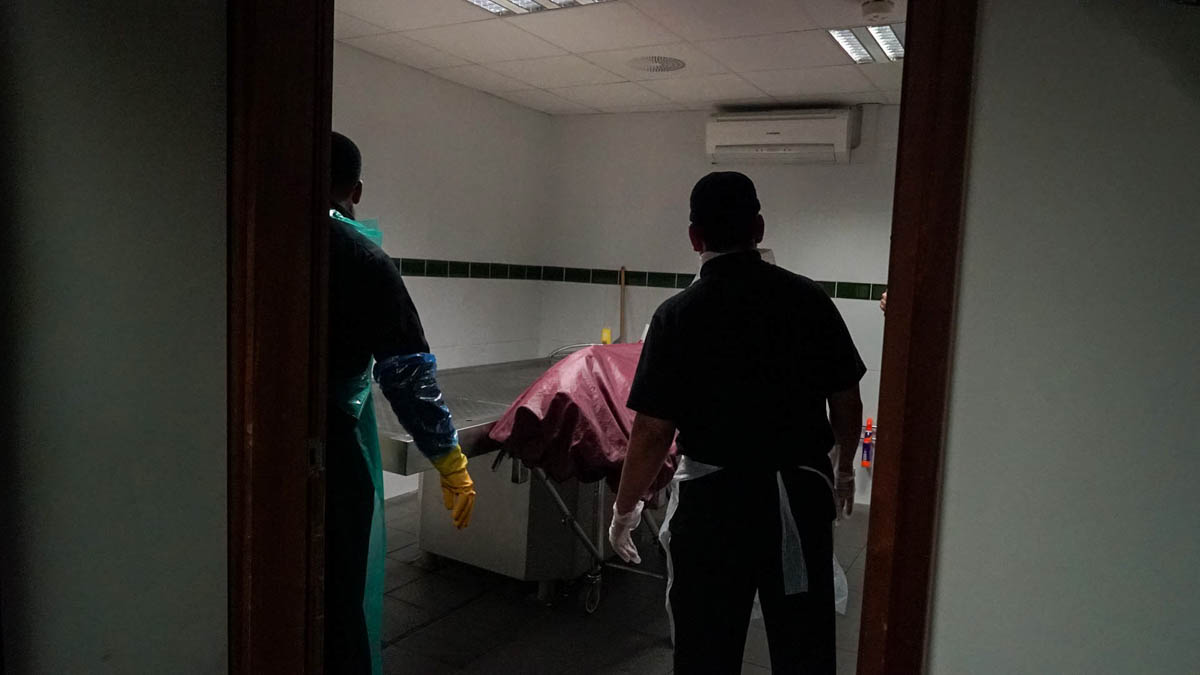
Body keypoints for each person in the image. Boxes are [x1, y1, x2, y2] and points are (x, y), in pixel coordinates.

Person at [609, 172, 865, 675]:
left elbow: (653, 430)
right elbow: (846, 398)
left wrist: (626, 508)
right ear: (759, 228)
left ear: (694, 238)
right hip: (798, 500)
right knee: (804, 648)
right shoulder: (808, 300)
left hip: (714, 508)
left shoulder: (677, 315)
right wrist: (844, 469)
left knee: (707, 649)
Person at [326, 131, 476, 675]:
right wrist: (450, 461)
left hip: (241, 449)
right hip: (328, 455)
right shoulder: (362, 258)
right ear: (357, 191)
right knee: (335, 600)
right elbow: (408, 374)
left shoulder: (250, 238)